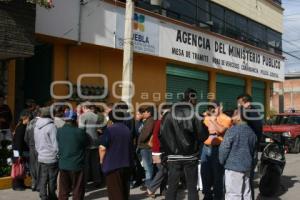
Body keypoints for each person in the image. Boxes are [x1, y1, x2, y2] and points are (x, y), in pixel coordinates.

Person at [160, 88, 209, 200]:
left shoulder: (168, 114)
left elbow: (162, 134)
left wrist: (167, 151)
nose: (196, 102)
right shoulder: (194, 115)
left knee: (172, 187)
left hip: (172, 156)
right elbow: (203, 135)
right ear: (191, 99)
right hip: (190, 156)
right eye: (196, 99)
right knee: (192, 187)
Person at [219, 107, 257, 200]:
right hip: (247, 168)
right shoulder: (252, 133)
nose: (232, 117)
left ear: (240, 117)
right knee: (246, 193)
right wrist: (251, 165)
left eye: (235, 114)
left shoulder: (232, 130)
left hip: (233, 168)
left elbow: (224, 148)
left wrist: (222, 161)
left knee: (233, 195)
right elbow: (254, 154)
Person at [201, 101, 232, 200]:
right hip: (205, 148)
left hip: (218, 148)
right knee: (205, 173)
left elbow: (221, 130)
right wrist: (203, 117)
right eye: (210, 108)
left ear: (220, 107)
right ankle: (207, 196)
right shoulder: (206, 117)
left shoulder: (226, 119)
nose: (212, 110)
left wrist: (213, 120)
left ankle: (218, 197)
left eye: (214, 107)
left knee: (218, 175)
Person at [99, 109, 133, 200]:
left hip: (113, 165)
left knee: (115, 192)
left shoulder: (109, 130)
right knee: (124, 190)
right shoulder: (127, 130)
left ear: (111, 118)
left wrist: (102, 161)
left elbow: (102, 148)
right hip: (126, 163)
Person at [237, 94, 263, 200]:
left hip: (250, 151)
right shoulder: (250, 112)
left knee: (248, 179)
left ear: (247, 103)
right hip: (246, 150)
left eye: (240, 103)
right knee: (243, 179)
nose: (238, 105)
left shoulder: (252, 113)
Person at [57, 111, 87, 200]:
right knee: (77, 189)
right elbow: (86, 144)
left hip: (63, 163)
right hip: (77, 164)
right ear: (75, 120)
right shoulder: (80, 132)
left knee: (63, 189)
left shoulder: (59, 131)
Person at [146, 104, 171, 198]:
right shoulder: (161, 122)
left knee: (164, 170)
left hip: (158, 150)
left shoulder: (159, 122)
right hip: (158, 151)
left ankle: (163, 190)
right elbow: (163, 138)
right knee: (162, 170)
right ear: (163, 113)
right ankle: (151, 189)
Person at [34, 107, 59, 200]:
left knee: (43, 177)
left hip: (41, 156)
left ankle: (43, 195)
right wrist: (58, 154)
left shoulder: (36, 126)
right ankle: (52, 196)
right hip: (51, 157)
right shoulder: (51, 126)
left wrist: (40, 152)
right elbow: (55, 144)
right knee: (52, 179)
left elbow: (36, 143)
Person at [78, 102, 102, 186]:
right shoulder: (96, 116)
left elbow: (81, 130)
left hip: (86, 141)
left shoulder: (83, 116)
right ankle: (97, 180)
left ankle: (85, 181)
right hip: (95, 140)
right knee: (95, 162)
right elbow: (99, 128)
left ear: (84, 107)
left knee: (86, 163)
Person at [137, 105, 156, 190]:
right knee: (147, 167)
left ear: (149, 113)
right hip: (145, 147)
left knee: (148, 167)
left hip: (146, 147)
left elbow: (145, 134)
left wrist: (140, 140)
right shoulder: (148, 121)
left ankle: (149, 185)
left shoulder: (150, 121)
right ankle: (149, 184)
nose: (143, 113)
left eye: (144, 112)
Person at [12, 111, 31, 191]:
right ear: (24, 118)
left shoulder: (21, 126)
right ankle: (17, 185)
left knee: (21, 167)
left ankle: (21, 184)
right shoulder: (21, 128)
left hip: (17, 150)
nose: (29, 121)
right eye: (28, 119)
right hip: (18, 151)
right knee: (18, 167)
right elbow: (18, 142)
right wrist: (19, 154)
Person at [24, 109, 41, 191]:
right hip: (40, 147)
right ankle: (39, 185)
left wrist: (30, 145)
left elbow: (26, 138)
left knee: (32, 166)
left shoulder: (30, 123)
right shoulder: (41, 122)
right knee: (39, 166)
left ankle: (34, 184)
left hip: (31, 147)